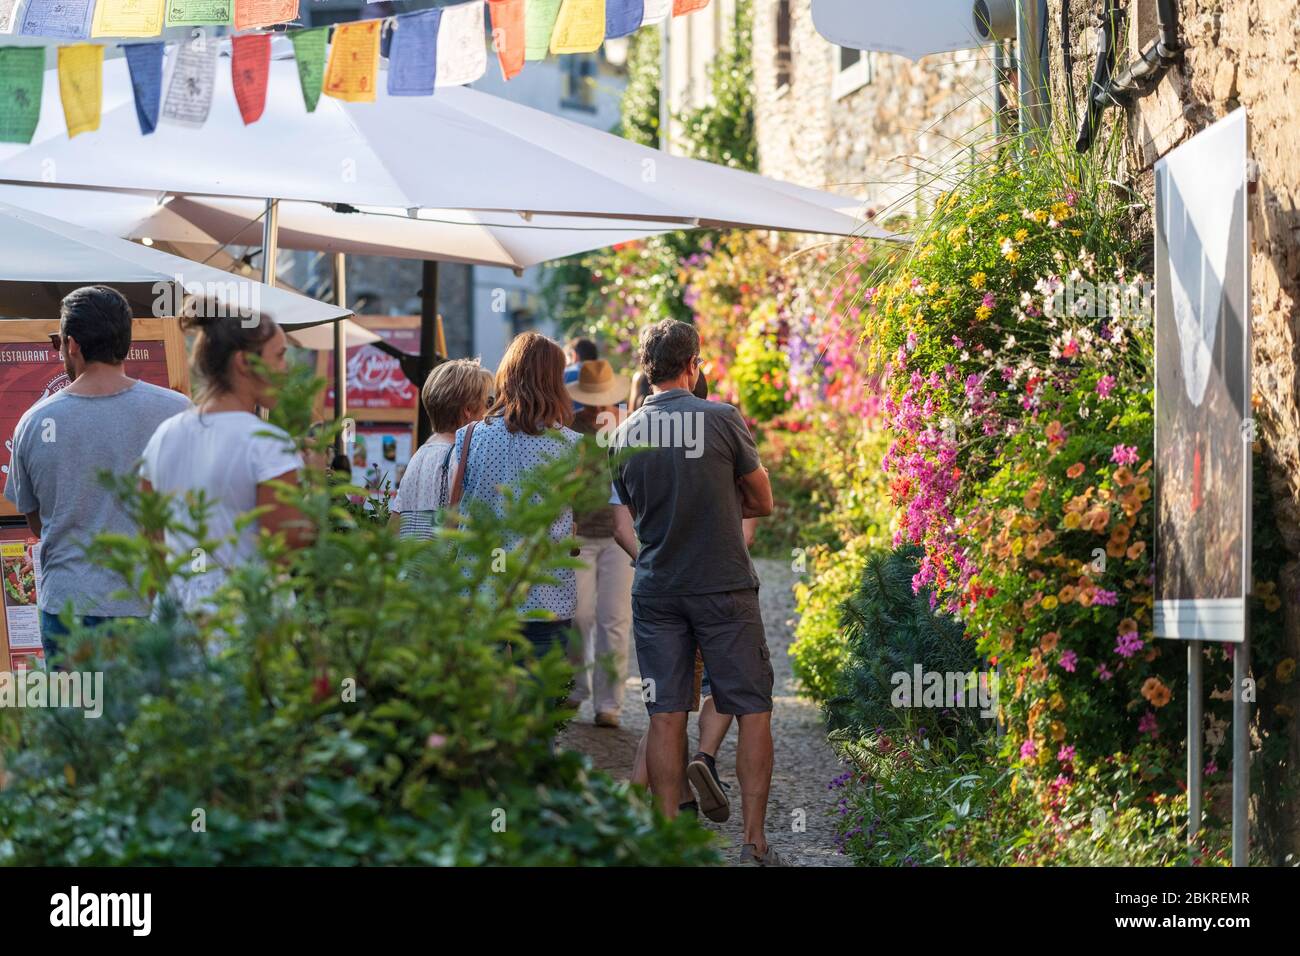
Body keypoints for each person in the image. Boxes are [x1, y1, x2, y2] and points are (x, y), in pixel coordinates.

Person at [610, 319, 783, 866]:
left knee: (665, 713)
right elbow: (762, 501)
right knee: (751, 706)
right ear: (694, 362)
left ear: (646, 368)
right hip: (724, 583)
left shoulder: (623, 434)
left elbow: (627, 520)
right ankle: (753, 841)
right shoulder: (723, 418)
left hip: (658, 588)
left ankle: (667, 842)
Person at [3, 286, 192, 661]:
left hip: (68, 606)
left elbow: (38, 522)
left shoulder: (35, 421)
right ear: (125, 340)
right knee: (150, 717)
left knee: (77, 717)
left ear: (72, 345)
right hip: (152, 602)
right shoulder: (177, 411)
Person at [139, 311, 307, 614]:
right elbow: (281, 548)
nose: (286, 369)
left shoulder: (163, 435)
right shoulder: (268, 443)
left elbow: (152, 543)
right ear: (244, 362)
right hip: (248, 619)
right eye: (280, 356)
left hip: (177, 615)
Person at [448, 332, 580, 658]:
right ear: (555, 382)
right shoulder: (572, 446)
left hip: (479, 590)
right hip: (546, 593)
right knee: (539, 703)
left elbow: (453, 509)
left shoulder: (469, 438)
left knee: (481, 699)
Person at [565, 359, 633, 729]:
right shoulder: (570, 431)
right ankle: (577, 688)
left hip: (619, 535)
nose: (595, 407)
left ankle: (610, 703)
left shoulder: (624, 429)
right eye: (589, 400)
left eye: (600, 399)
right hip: (579, 535)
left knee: (615, 619)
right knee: (579, 615)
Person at [392, 359, 494, 538]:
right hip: (443, 562)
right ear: (468, 410)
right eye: (489, 402)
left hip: (412, 563)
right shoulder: (462, 456)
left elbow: (394, 524)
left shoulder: (419, 455)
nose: (491, 411)